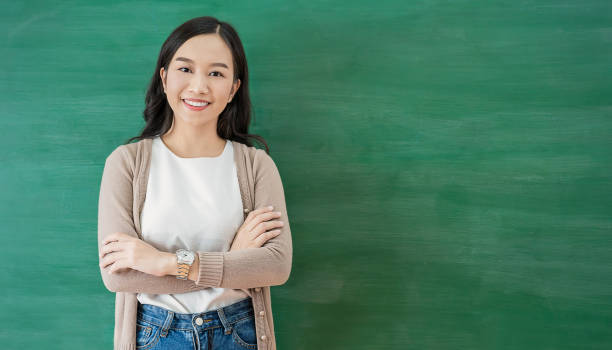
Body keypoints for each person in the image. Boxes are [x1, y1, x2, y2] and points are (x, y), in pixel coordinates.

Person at [97, 16, 292, 350]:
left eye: (216, 73)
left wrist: (165, 264)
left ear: (233, 89)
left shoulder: (256, 165)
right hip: (155, 335)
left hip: (238, 333)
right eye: (185, 69)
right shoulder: (126, 163)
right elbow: (119, 275)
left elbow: (274, 265)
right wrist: (232, 259)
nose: (199, 86)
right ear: (164, 78)